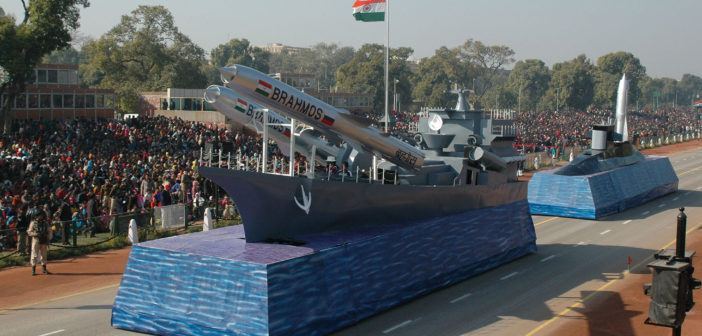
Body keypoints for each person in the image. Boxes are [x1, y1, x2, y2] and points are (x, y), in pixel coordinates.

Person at [27, 208, 52, 276]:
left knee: (44, 255)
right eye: (39, 215)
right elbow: (29, 232)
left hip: (43, 240)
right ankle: (33, 269)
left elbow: (49, 231)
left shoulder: (45, 223)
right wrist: (35, 234)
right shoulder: (33, 223)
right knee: (34, 255)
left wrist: (48, 239)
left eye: (41, 215)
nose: (40, 216)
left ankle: (44, 268)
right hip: (36, 239)